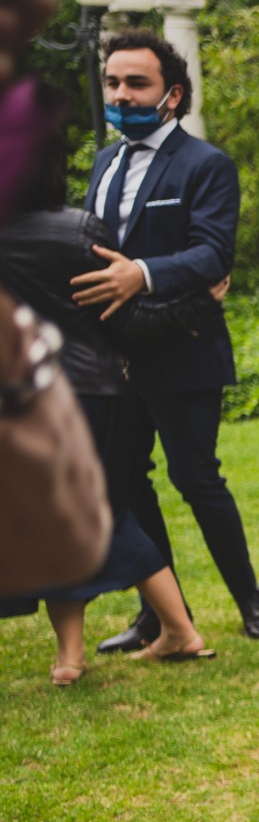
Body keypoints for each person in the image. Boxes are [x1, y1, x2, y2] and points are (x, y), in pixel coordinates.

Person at [78, 29, 259, 651]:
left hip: (185, 348)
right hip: (113, 356)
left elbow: (212, 253)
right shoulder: (104, 162)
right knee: (125, 481)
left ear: (171, 95)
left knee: (196, 478)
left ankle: (250, 599)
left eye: (136, 84)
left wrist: (140, 274)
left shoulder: (205, 164)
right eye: (112, 82)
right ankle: (162, 615)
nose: (121, 95)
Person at [1, 96, 216, 678]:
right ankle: (168, 632)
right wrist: (195, 305)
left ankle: (90, 650)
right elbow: (123, 321)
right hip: (92, 394)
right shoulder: (77, 232)